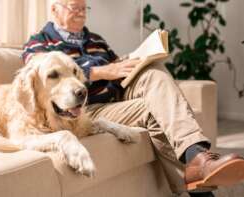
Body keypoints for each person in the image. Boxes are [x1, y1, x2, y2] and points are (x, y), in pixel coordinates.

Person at [22, 0, 244, 196]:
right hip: (90, 108)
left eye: (84, 8)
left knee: (154, 72)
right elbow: (38, 70)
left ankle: (197, 156)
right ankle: (200, 185)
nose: (81, 12)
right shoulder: (39, 42)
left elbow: (116, 66)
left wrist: (133, 62)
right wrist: (100, 71)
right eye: (74, 8)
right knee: (153, 112)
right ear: (54, 9)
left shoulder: (96, 40)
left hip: (119, 94)